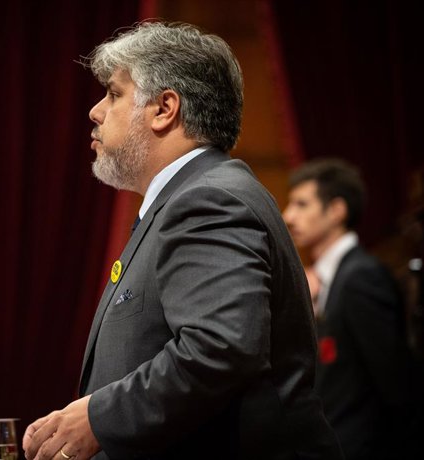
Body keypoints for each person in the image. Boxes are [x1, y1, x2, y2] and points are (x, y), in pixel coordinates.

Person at [23, 22, 342, 460]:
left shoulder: (207, 200)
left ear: (164, 108)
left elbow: (220, 347)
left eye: (114, 94)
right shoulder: (187, 198)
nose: (95, 111)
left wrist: (100, 419)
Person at [283, 159, 417, 459]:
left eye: (301, 205)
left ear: (337, 211)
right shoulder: (330, 278)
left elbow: (395, 382)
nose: (288, 216)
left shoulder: (360, 277)